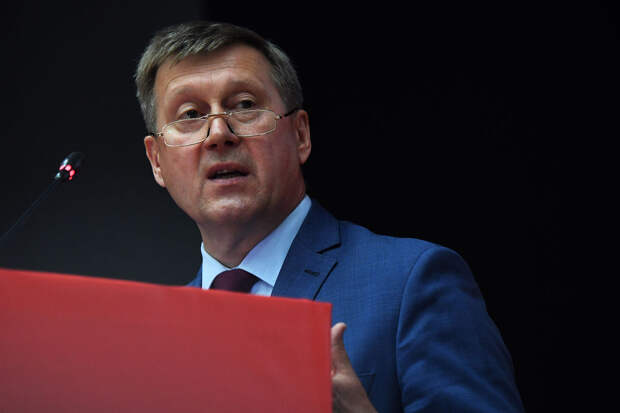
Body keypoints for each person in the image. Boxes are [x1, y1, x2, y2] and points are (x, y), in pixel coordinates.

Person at [136, 21, 524, 413]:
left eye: (245, 106)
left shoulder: (413, 282)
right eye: (190, 114)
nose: (219, 132)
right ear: (156, 161)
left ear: (300, 135)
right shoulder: (155, 341)